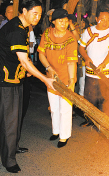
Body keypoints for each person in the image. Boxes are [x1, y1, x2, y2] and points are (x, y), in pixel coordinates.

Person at [0, 0, 54, 173]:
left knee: (16, 117)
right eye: (35, 13)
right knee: (8, 121)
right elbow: (25, 61)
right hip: (3, 82)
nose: (38, 17)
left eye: (40, 14)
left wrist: (24, 71)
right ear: (24, 11)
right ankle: (8, 160)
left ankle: (13, 146)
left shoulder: (24, 27)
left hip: (14, 78)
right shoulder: (17, 30)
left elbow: (15, 57)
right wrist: (45, 79)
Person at [38, 8, 77, 148]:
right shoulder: (47, 34)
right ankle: (56, 131)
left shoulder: (70, 38)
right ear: (53, 21)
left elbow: (71, 62)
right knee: (53, 107)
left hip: (66, 78)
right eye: (61, 20)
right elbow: (41, 54)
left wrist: (72, 82)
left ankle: (64, 135)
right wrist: (48, 67)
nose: (64, 23)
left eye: (66, 20)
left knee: (64, 109)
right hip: (51, 78)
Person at [79, 6, 109, 124]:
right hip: (90, 71)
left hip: (105, 73)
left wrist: (103, 64)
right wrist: (86, 58)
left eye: (108, 19)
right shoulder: (88, 31)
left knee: (105, 98)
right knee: (90, 97)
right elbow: (81, 48)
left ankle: (103, 123)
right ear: (96, 18)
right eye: (102, 19)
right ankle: (89, 120)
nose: (105, 21)